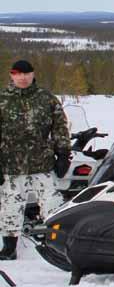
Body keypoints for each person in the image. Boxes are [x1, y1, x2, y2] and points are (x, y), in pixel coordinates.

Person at [0, 60, 70, 261]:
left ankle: (57, 247)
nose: (22, 78)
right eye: (18, 74)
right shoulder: (3, 99)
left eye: (26, 74)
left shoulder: (46, 98)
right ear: (12, 75)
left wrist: (63, 154)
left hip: (42, 164)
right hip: (11, 165)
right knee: (10, 207)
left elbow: (60, 127)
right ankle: (9, 248)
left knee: (52, 205)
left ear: (33, 74)